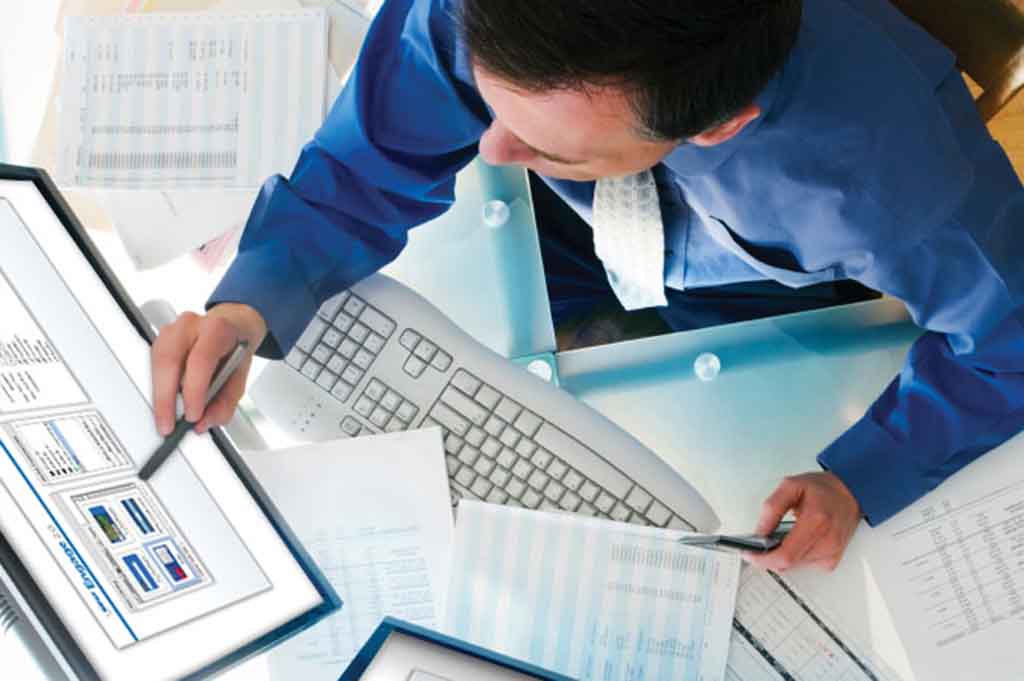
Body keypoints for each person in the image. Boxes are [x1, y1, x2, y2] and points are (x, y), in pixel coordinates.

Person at [151, 0, 1024, 572]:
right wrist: (251, 300)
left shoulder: (889, 183)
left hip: (744, 306)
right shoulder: (497, 16)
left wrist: (865, 475)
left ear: (719, 127)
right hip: (564, 230)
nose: (489, 150)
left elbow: (1010, 341)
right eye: (492, 104)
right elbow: (373, 156)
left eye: (542, 141)